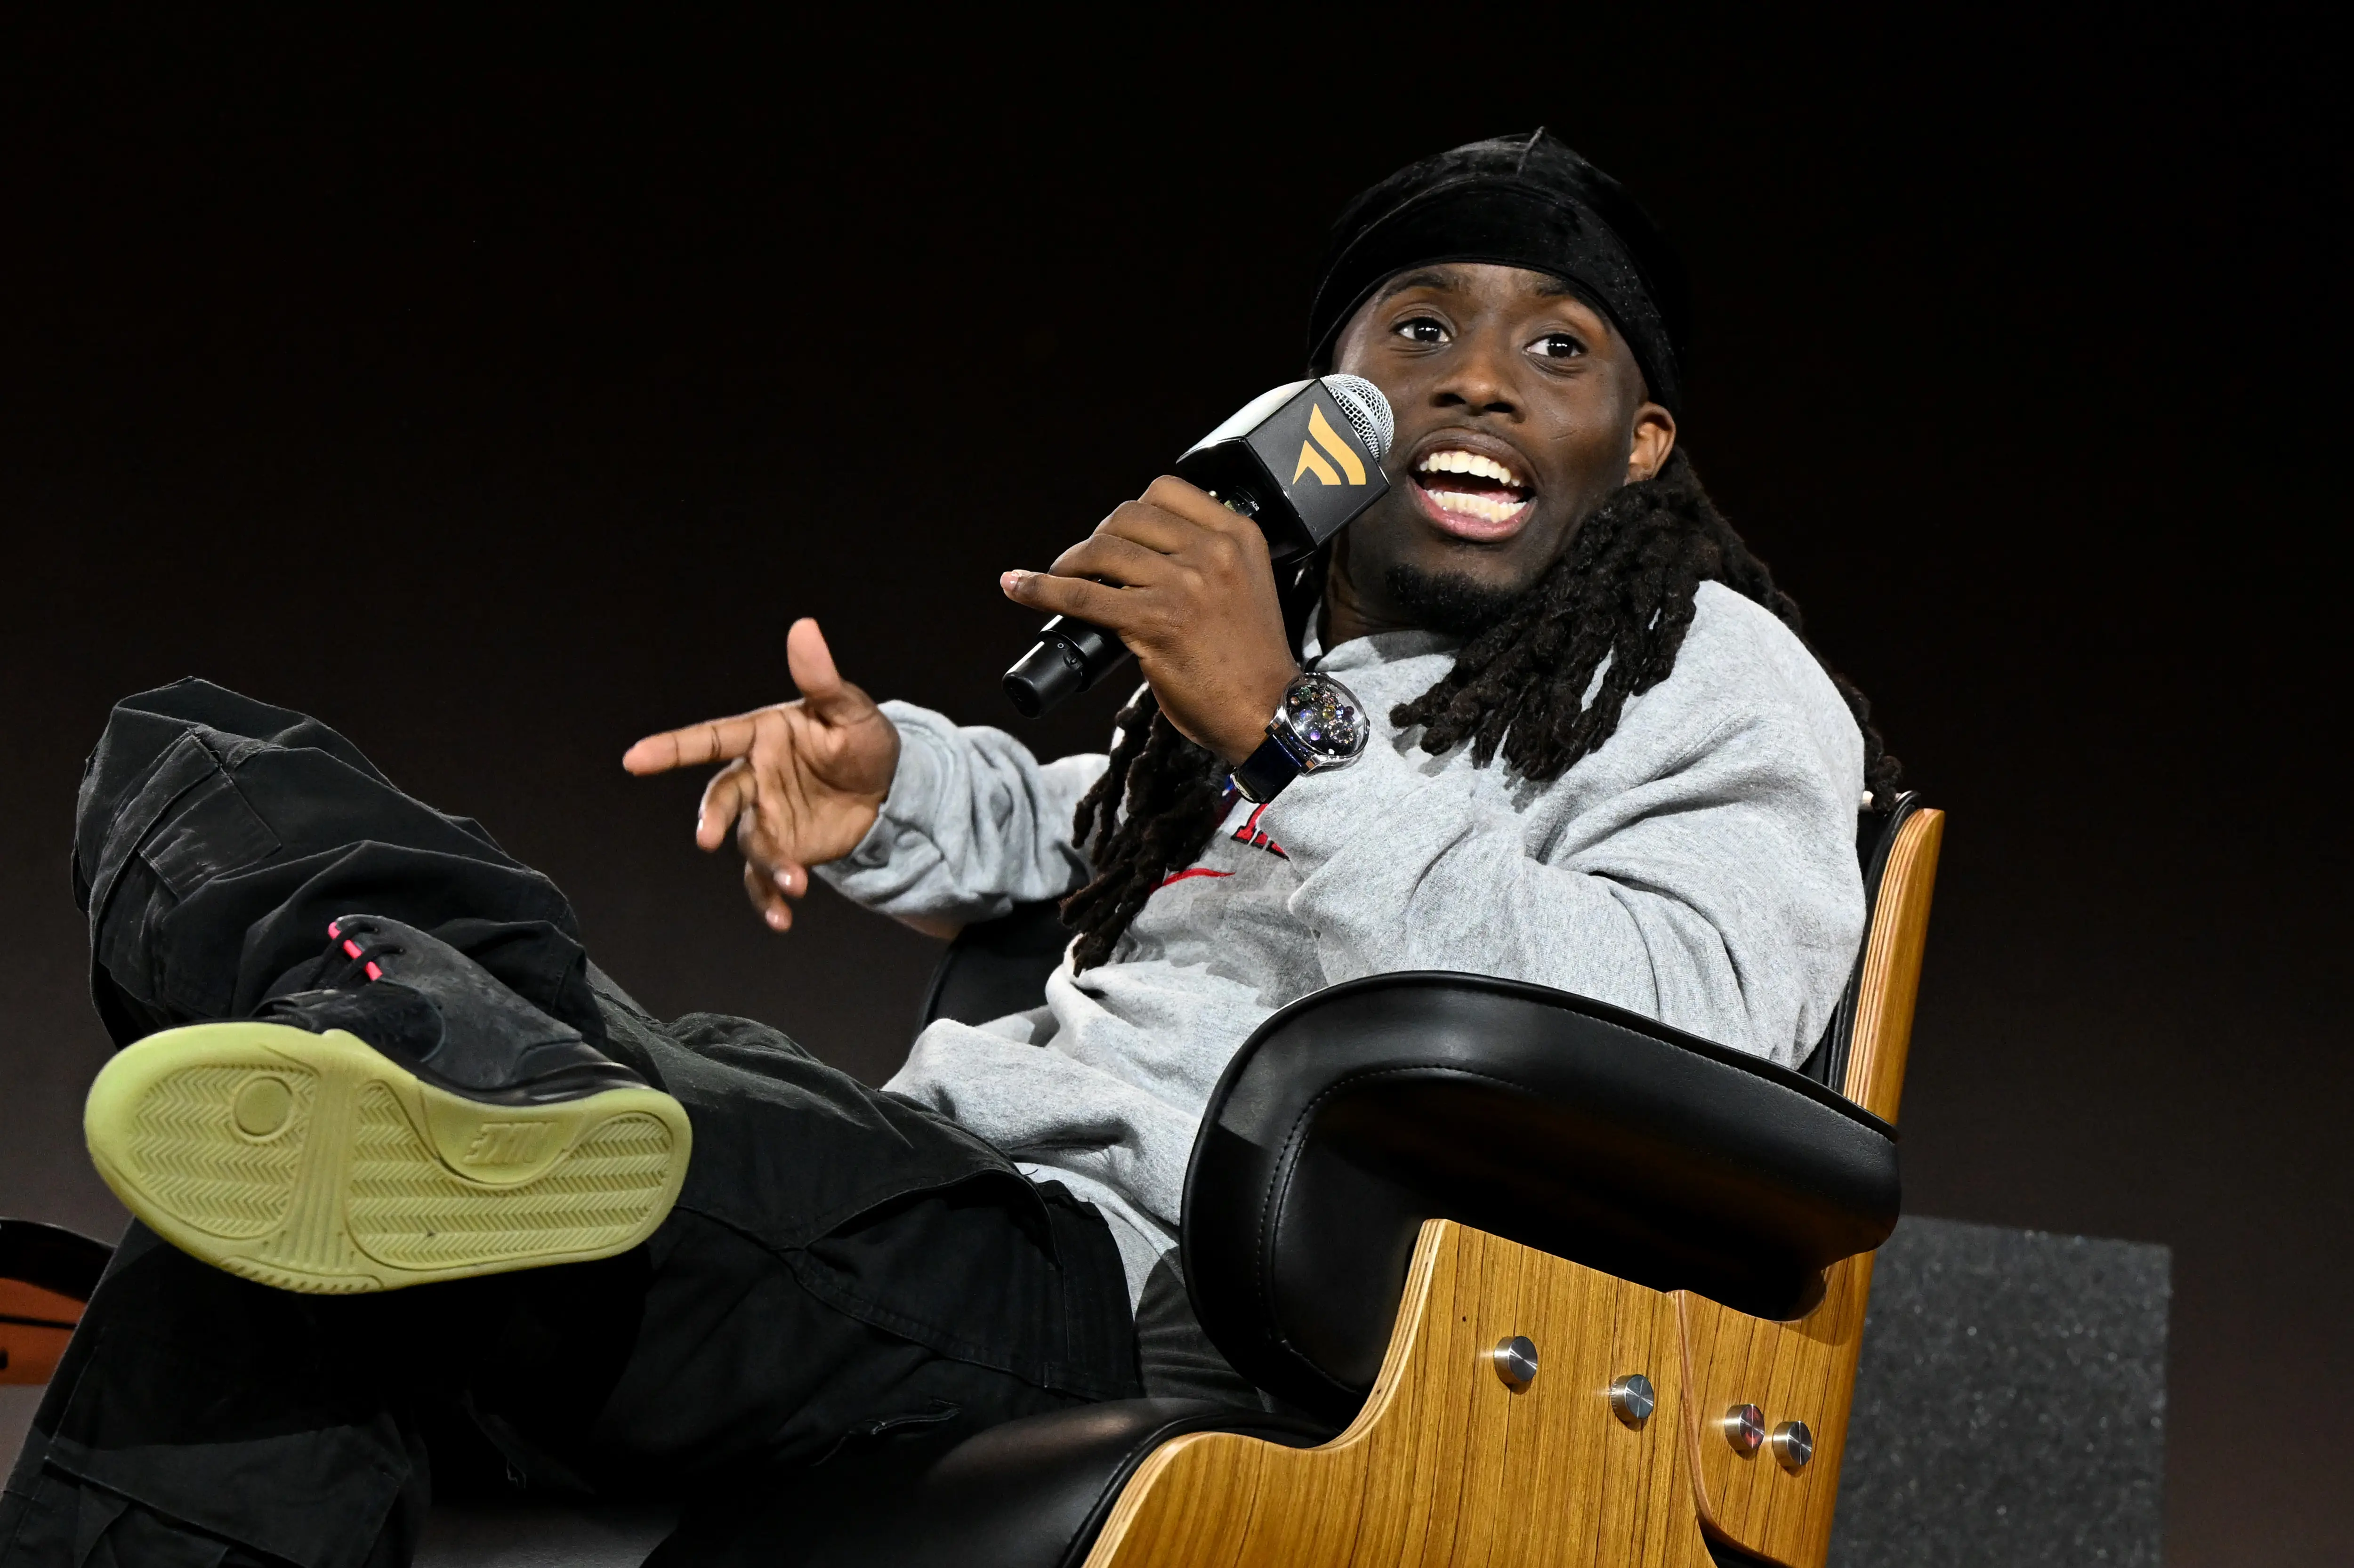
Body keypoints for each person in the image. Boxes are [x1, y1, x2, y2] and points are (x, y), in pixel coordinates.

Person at [1, 130, 1894, 1567]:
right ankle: (450, 1068)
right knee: (208, 783)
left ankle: (451, 1072)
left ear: (1637, 442)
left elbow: (1682, 1020)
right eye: (1418, 334)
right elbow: (1098, 834)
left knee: (286, 1207)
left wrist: (1278, 731)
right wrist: (893, 779)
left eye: (1549, 350)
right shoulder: (1324, 672)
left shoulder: (1711, 678)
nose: (1474, 378)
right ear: (1319, 413)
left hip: (1106, 1289)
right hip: (910, 1189)